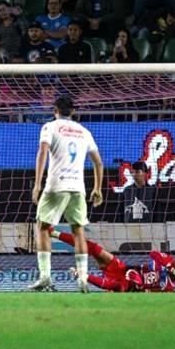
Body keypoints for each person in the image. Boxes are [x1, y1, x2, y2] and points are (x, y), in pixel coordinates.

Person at [29, 96, 104, 293]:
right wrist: (97, 188)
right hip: (78, 188)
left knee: (43, 227)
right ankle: (83, 279)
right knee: (78, 230)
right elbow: (98, 162)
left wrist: (37, 184)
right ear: (73, 111)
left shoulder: (50, 127)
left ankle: (45, 276)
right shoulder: (84, 131)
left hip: (56, 185)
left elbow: (42, 152)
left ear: (55, 110)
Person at [52, 229, 175, 292]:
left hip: (130, 285)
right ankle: (54, 233)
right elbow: (153, 254)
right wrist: (170, 267)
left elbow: (150, 296)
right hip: (123, 269)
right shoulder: (168, 261)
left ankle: (82, 276)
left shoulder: (169, 287)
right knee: (95, 248)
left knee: (117, 286)